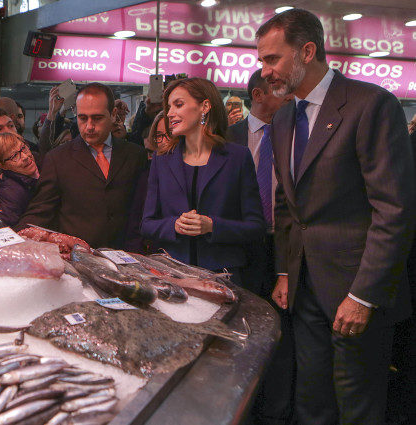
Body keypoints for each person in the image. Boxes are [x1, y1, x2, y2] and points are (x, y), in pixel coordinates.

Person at [256, 9, 415, 425]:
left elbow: (394, 210)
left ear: (307, 51)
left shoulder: (371, 105)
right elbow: (287, 206)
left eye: (272, 59)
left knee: (358, 410)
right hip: (305, 292)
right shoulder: (285, 117)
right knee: (313, 406)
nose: (264, 71)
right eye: (261, 61)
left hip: (356, 296)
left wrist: (364, 296)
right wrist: (286, 273)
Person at [141, 78, 264, 284]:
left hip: (223, 277)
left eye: (178, 105)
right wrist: (174, 225)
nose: (170, 113)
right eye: (169, 106)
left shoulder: (238, 158)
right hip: (172, 275)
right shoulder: (162, 160)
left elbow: (255, 227)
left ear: (205, 106)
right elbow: (147, 224)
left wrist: (212, 226)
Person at [226, 69, 294, 425]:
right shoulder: (227, 137)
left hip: (286, 247)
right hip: (241, 248)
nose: (288, 96)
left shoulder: (296, 131)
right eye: (280, 90)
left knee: (284, 332)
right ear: (259, 94)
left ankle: (278, 413)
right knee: (242, 330)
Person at [19, 83, 147, 248]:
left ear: (113, 114)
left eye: (97, 118)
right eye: (83, 118)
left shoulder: (135, 155)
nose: (89, 126)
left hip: (126, 258)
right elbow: (39, 212)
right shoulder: (58, 159)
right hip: (77, 260)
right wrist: (11, 240)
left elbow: (141, 211)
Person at [0, 132, 39, 226]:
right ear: (3, 165)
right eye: (14, 156)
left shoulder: (45, 163)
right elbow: (2, 226)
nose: (25, 156)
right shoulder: (11, 190)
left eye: (23, 148)